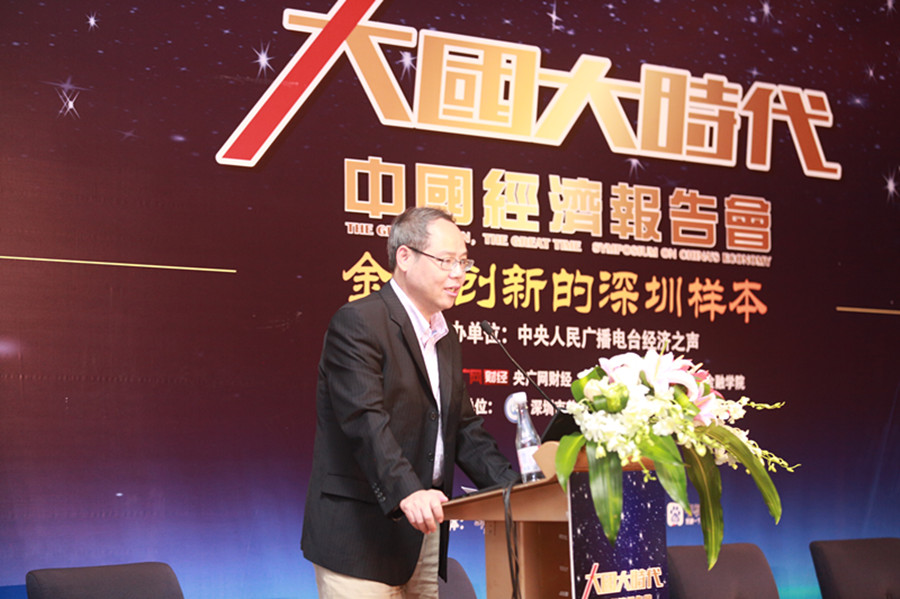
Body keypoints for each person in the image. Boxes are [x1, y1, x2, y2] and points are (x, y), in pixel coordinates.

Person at [301, 207, 519, 598]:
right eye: (446, 261)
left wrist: (516, 491)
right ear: (404, 257)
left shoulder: (445, 337)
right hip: (360, 535)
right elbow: (366, 421)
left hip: (422, 531)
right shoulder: (359, 322)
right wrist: (407, 491)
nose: (459, 274)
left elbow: (463, 429)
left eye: (464, 262)